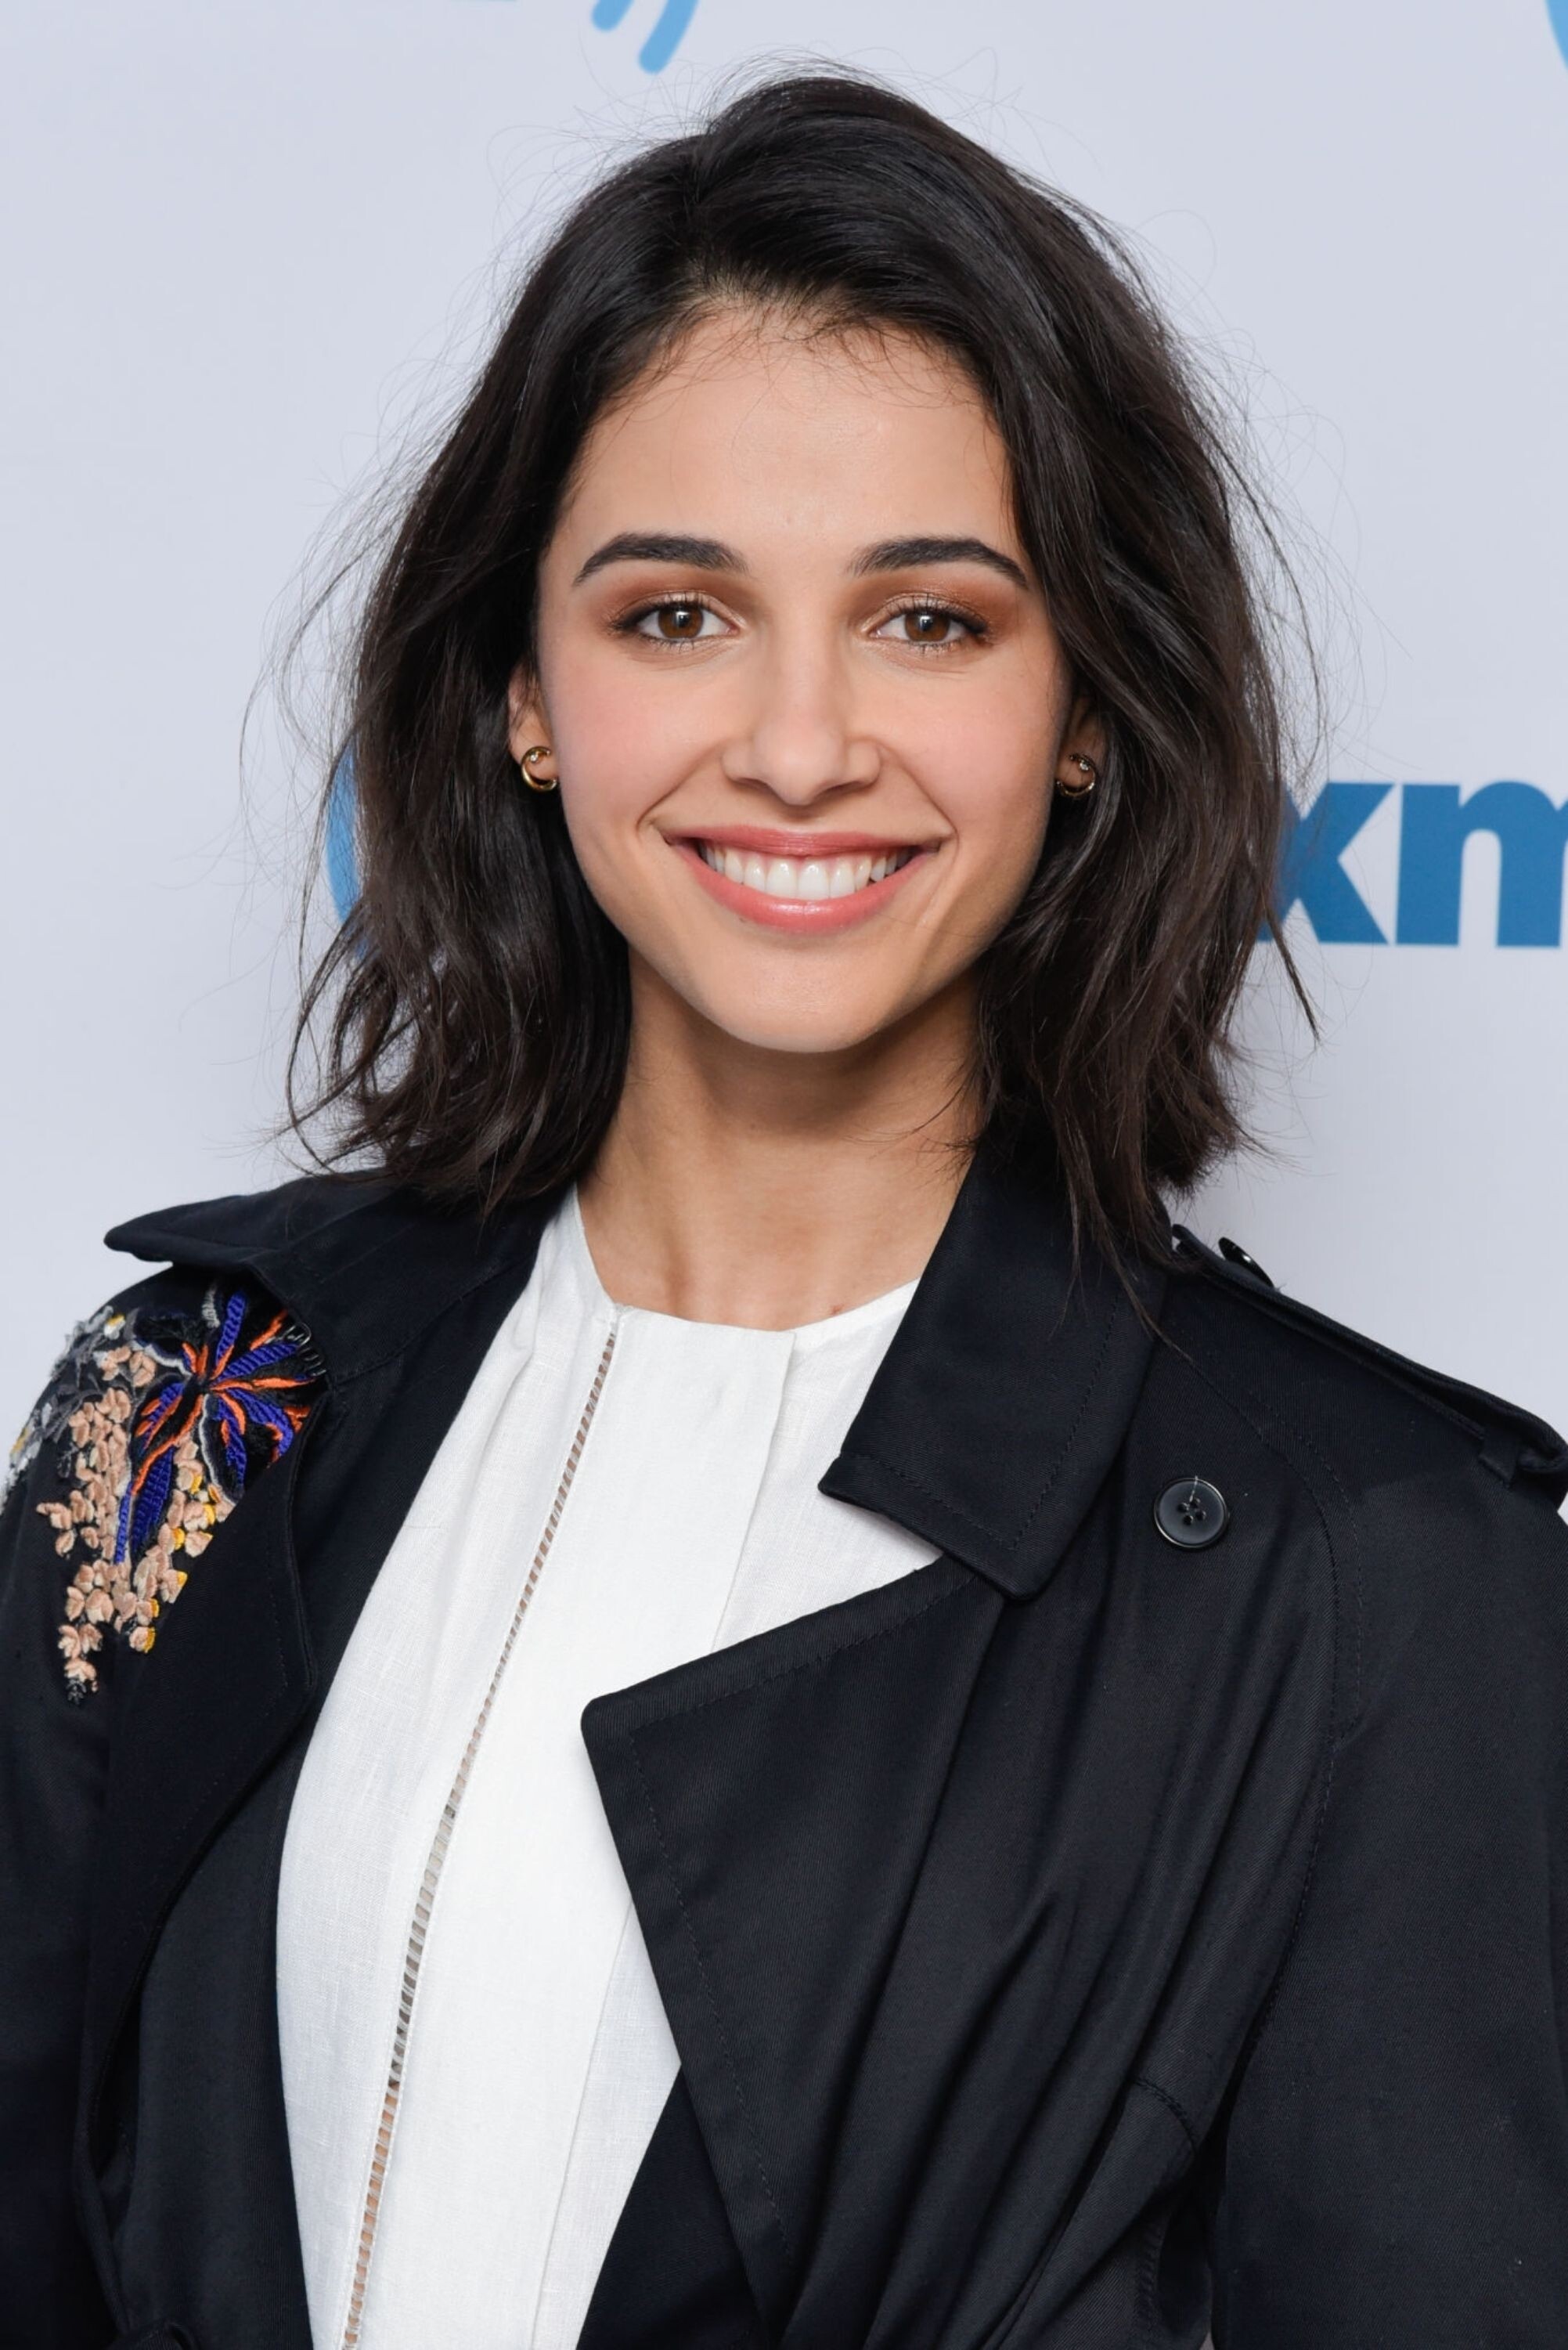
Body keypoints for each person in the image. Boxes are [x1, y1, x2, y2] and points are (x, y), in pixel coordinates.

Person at [2, 70, 1565, 2350]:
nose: (803, 744)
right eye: (676, 614)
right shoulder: (199, 1395)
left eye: (928, 620)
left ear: (1085, 710)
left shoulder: (1382, 1571)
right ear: (526, 695)